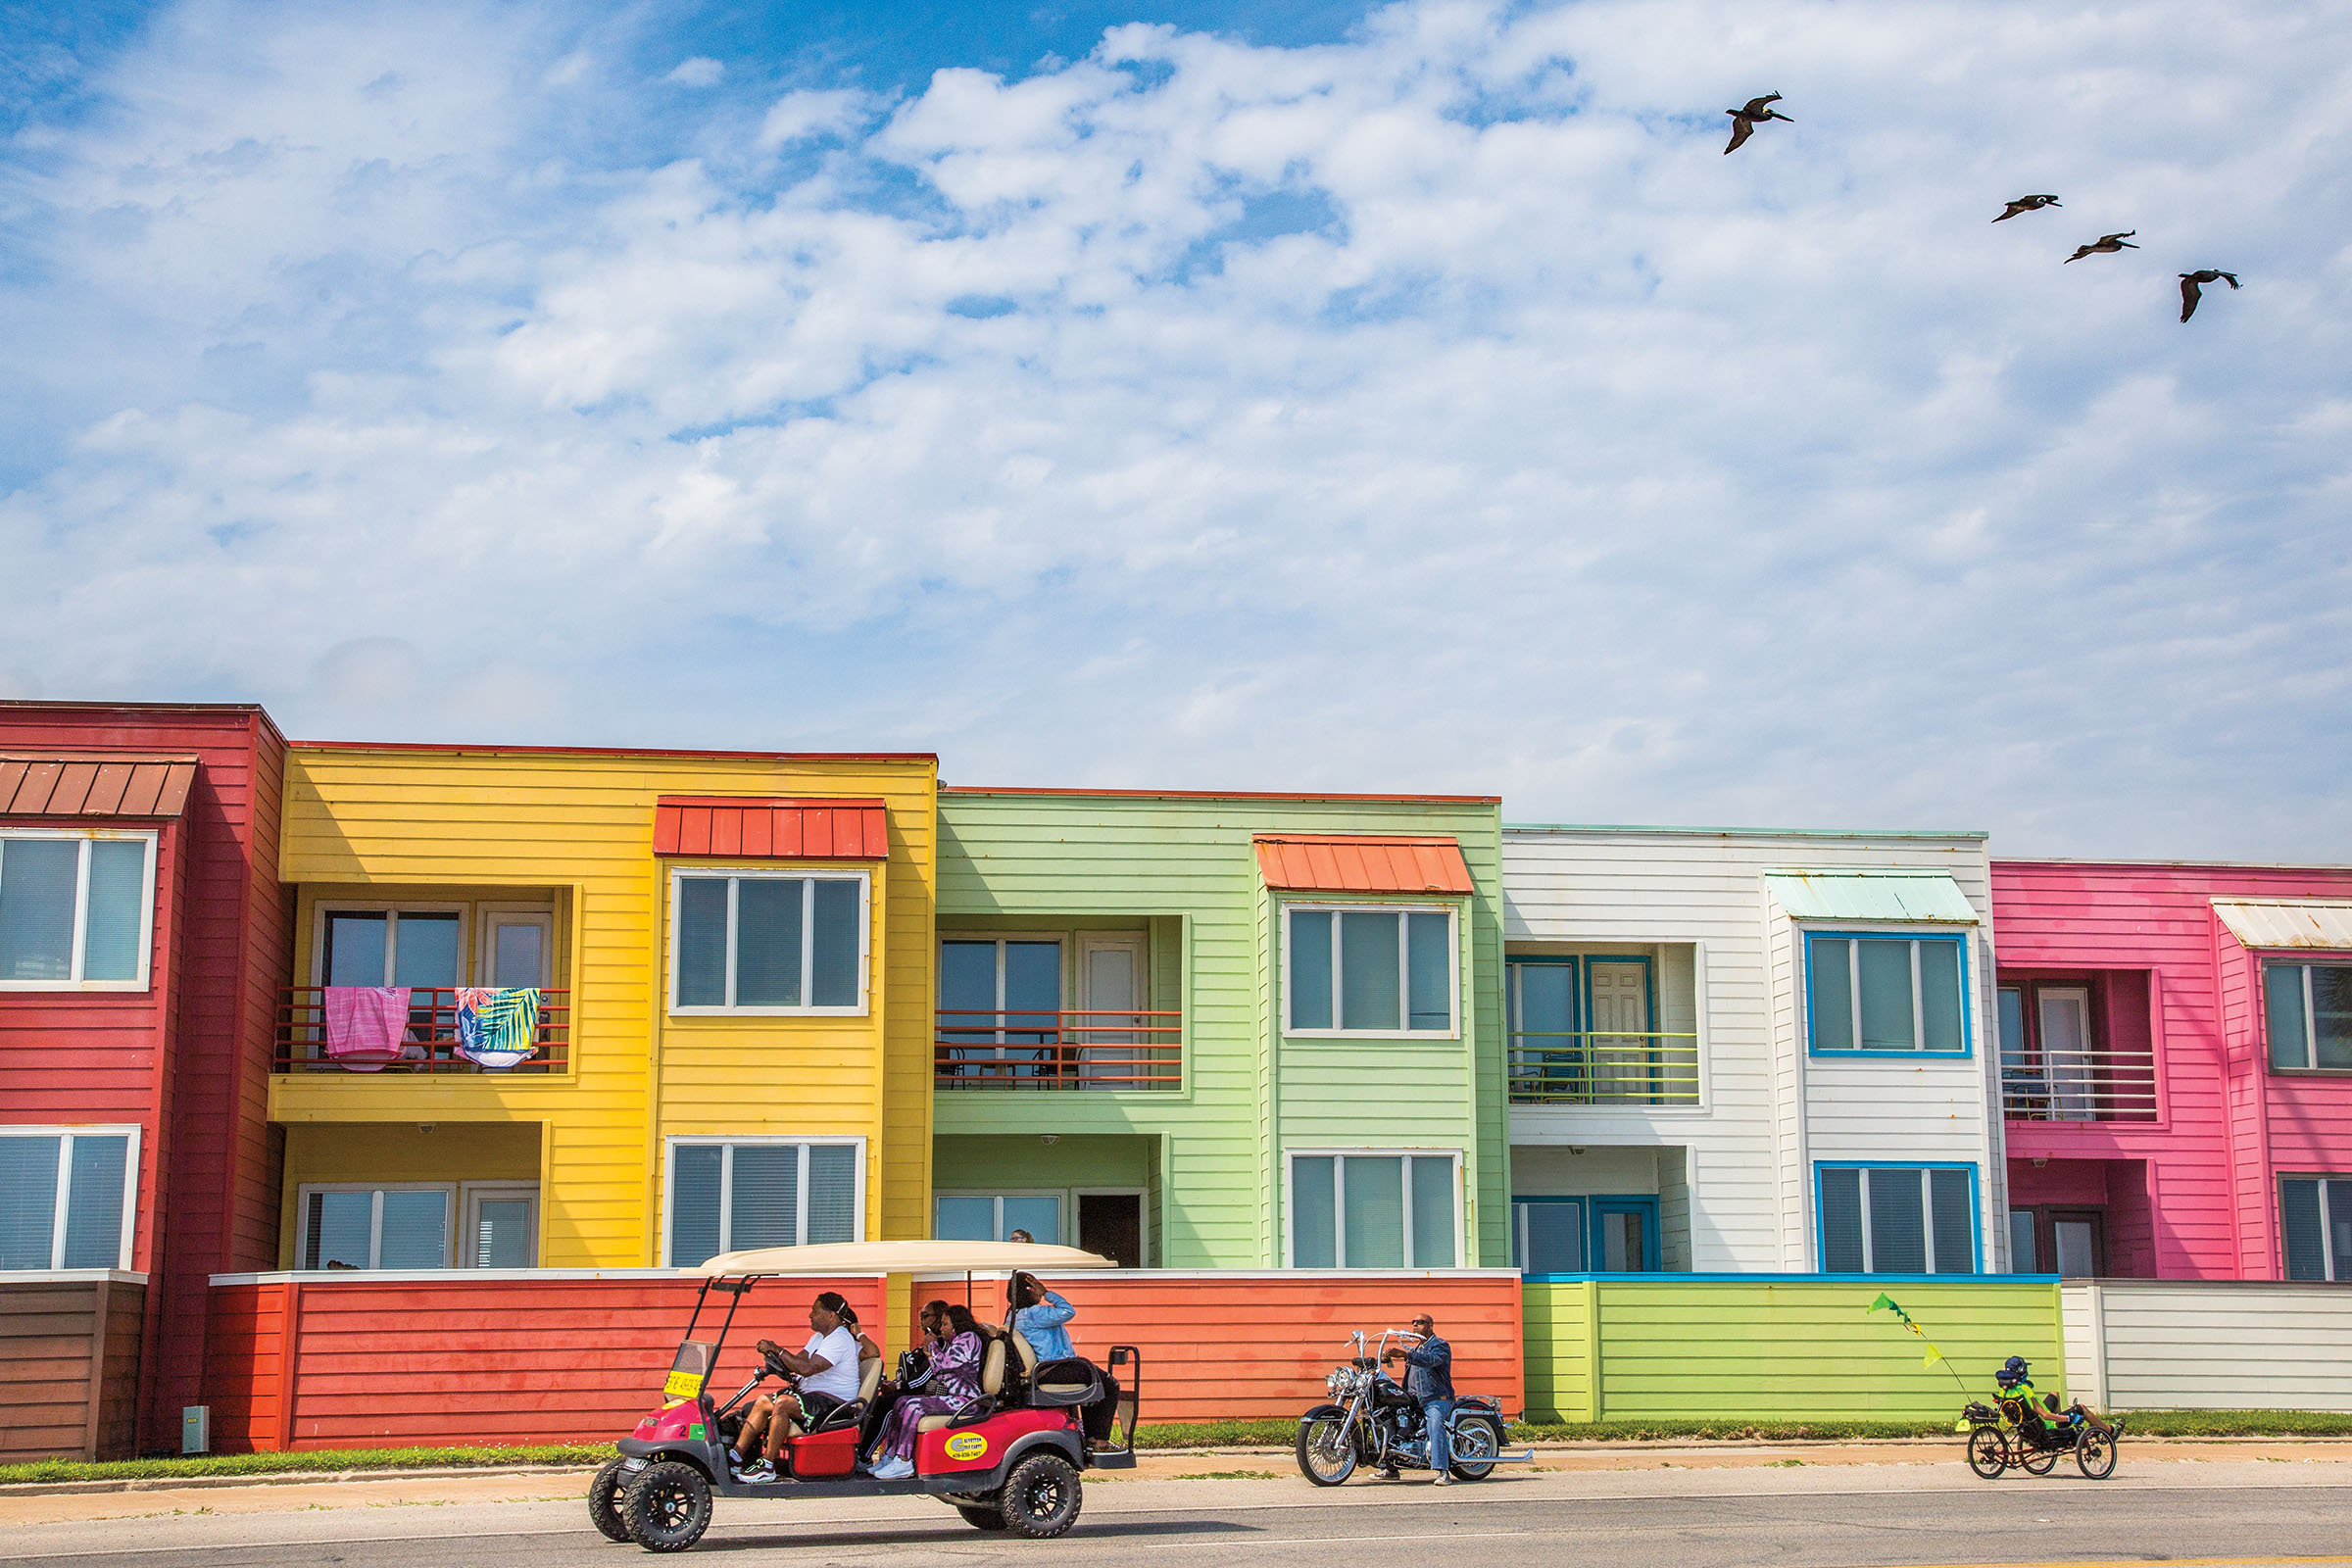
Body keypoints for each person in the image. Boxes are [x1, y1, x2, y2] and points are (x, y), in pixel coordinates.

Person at [730, 1292, 865, 1480]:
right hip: (815, 1397)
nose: (810, 1315)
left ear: (832, 1315)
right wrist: (777, 1359)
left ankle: (767, 1466)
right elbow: (798, 1361)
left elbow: (808, 1368)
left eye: (815, 1311)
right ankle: (735, 1458)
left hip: (835, 1404)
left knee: (783, 1403)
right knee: (762, 1402)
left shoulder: (840, 1338)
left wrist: (777, 1349)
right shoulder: (819, 1338)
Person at [866, 1299, 989, 1479]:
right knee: (901, 1402)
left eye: (946, 1324)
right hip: (952, 1396)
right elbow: (939, 1373)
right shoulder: (953, 1342)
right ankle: (890, 1456)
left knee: (914, 1406)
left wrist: (932, 1347)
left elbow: (947, 1364)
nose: (941, 1328)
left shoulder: (968, 1338)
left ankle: (904, 1459)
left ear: (956, 1324)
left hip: (966, 1400)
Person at [1380, 1313, 1455, 1485]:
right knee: (1388, 1416)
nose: (1415, 1325)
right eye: (1413, 1322)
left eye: (1420, 1322)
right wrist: (1387, 1359)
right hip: (1413, 1399)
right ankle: (1391, 1468)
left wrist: (1405, 1355)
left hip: (1436, 1398)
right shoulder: (1415, 1350)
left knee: (1435, 1423)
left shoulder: (1440, 1345)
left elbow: (1431, 1360)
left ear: (1430, 1325)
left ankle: (1443, 1471)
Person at [1007, 1270, 1077, 1361]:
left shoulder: (1012, 1315)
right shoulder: (1035, 1313)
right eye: (1036, 1285)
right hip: (1056, 1364)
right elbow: (1068, 1311)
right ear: (1030, 1289)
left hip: (1042, 1365)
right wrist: (1045, 1292)